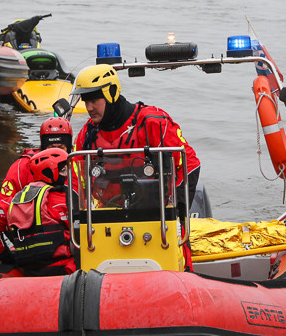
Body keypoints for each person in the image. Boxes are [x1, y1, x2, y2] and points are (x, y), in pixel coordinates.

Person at [70, 64, 204, 268]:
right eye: (85, 101)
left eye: (94, 100)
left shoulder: (152, 122)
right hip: (107, 221)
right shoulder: (88, 135)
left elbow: (189, 164)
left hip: (156, 220)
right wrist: (78, 217)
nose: (88, 107)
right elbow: (76, 178)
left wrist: (176, 213)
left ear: (111, 94)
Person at [0, 117, 73, 263]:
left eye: (61, 148)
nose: (56, 155)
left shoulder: (76, 165)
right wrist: (7, 258)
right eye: (51, 148)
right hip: (31, 236)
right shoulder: (22, 168)